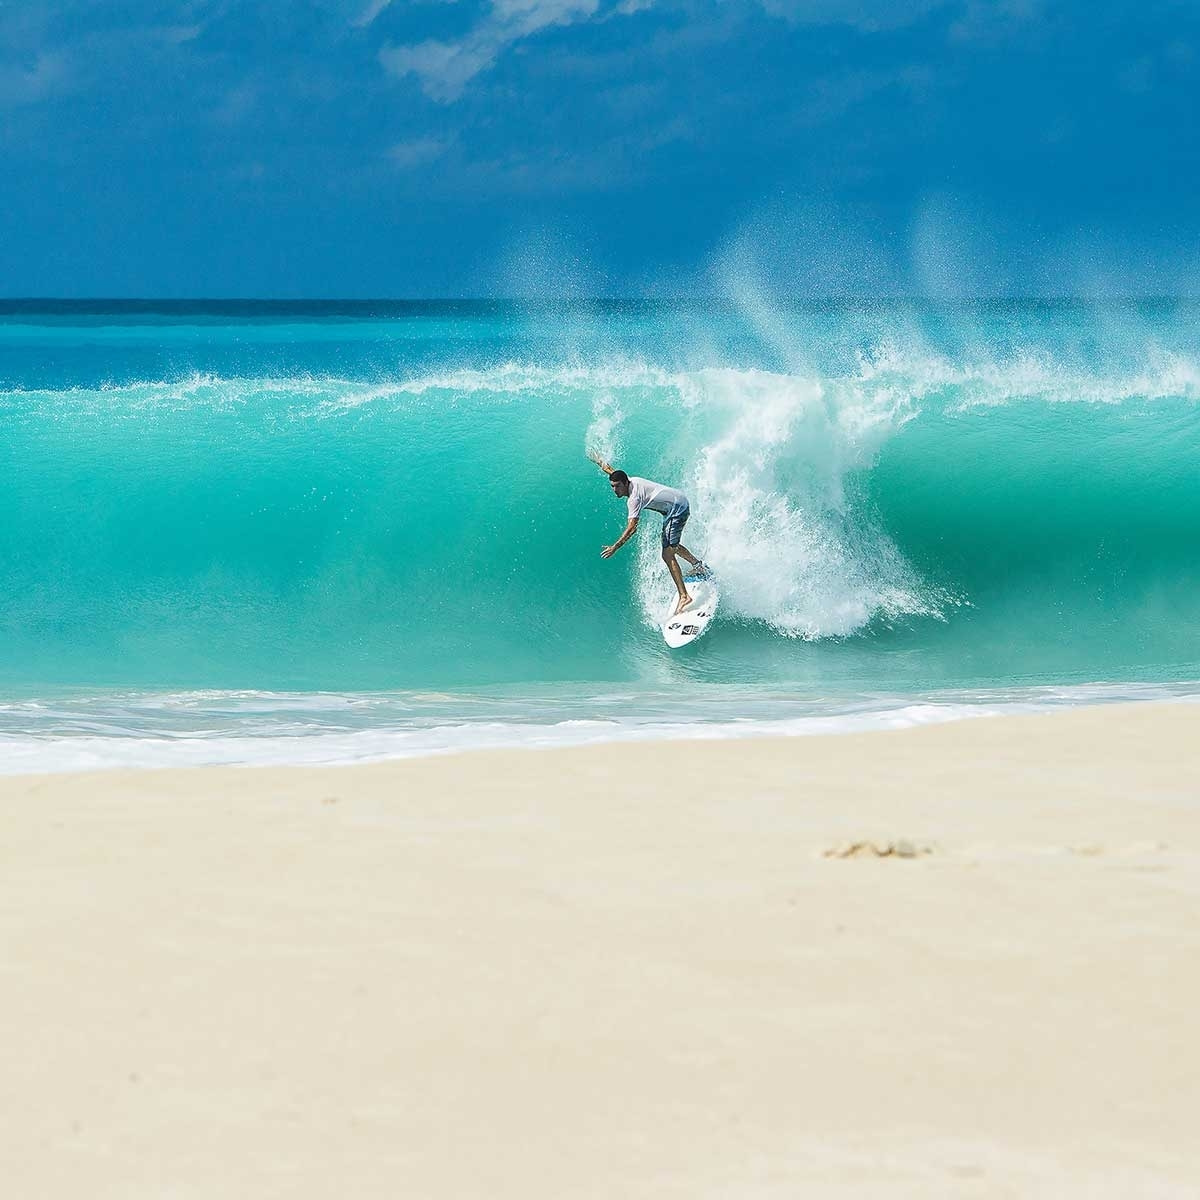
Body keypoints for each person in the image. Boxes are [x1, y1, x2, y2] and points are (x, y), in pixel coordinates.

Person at [588, 450, 710, 615]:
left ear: (625, 483)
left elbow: (632, 528)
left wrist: (615, 547)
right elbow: (612, 471)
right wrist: (600, 462)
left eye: (617, 486)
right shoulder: (631, 480)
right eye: (612, 486)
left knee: (667, 555)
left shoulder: (634, 499)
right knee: (671, 545)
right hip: (675, 504)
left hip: (677, 509)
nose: (614, 490)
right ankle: (698, 566)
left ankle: (684, 596)